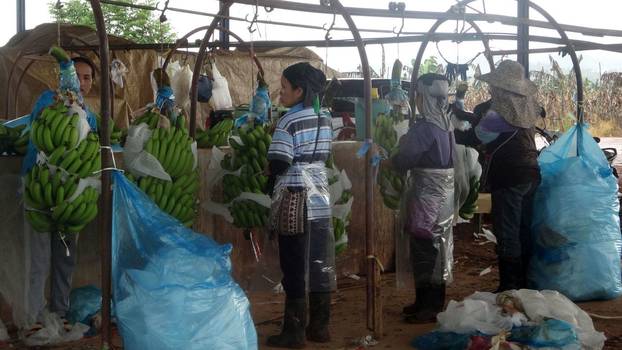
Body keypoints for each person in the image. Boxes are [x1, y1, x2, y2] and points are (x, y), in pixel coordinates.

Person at [266, 62, 335, 348]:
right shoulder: (325, 118)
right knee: (319, 263)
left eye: (283, 88)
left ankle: (293, 332)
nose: (280, 93)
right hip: (320, 198)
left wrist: (267, 184)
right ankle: (319, 327)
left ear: (299, 90)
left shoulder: (288, 122)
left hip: (295, 197)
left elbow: (280, 161)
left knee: (293, 264)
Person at [26, 56, 97, 334]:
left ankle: (60, 311)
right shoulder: (47, 100)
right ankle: (32, 315)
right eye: (77, 76)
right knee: (40, 257)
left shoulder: (87, 112)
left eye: (88, 77)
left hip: (71, 194)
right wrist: (59, 104)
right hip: (42, 187)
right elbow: (38, 122)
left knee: (66, 257)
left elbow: (89, 141)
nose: (82, 82)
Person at [392, 73, 455, 323]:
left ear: (425, 97)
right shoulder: (446, 123)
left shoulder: (425, 128)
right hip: (444, 193)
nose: (416, 100)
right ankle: (427, 302)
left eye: (418, 95)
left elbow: (405, 159)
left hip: (428, 192)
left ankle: (428, 307)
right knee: (438, 245)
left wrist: (390, 160)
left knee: (424, 246)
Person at [474, 60, 541, 292]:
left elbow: (481, 135)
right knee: (524, 228)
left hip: (509, 176)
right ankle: (526, 282)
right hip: (531, 172)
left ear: (501, 88)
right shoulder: (528, 107)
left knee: (507, 231)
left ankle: (510, 286)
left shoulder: (498, 112)